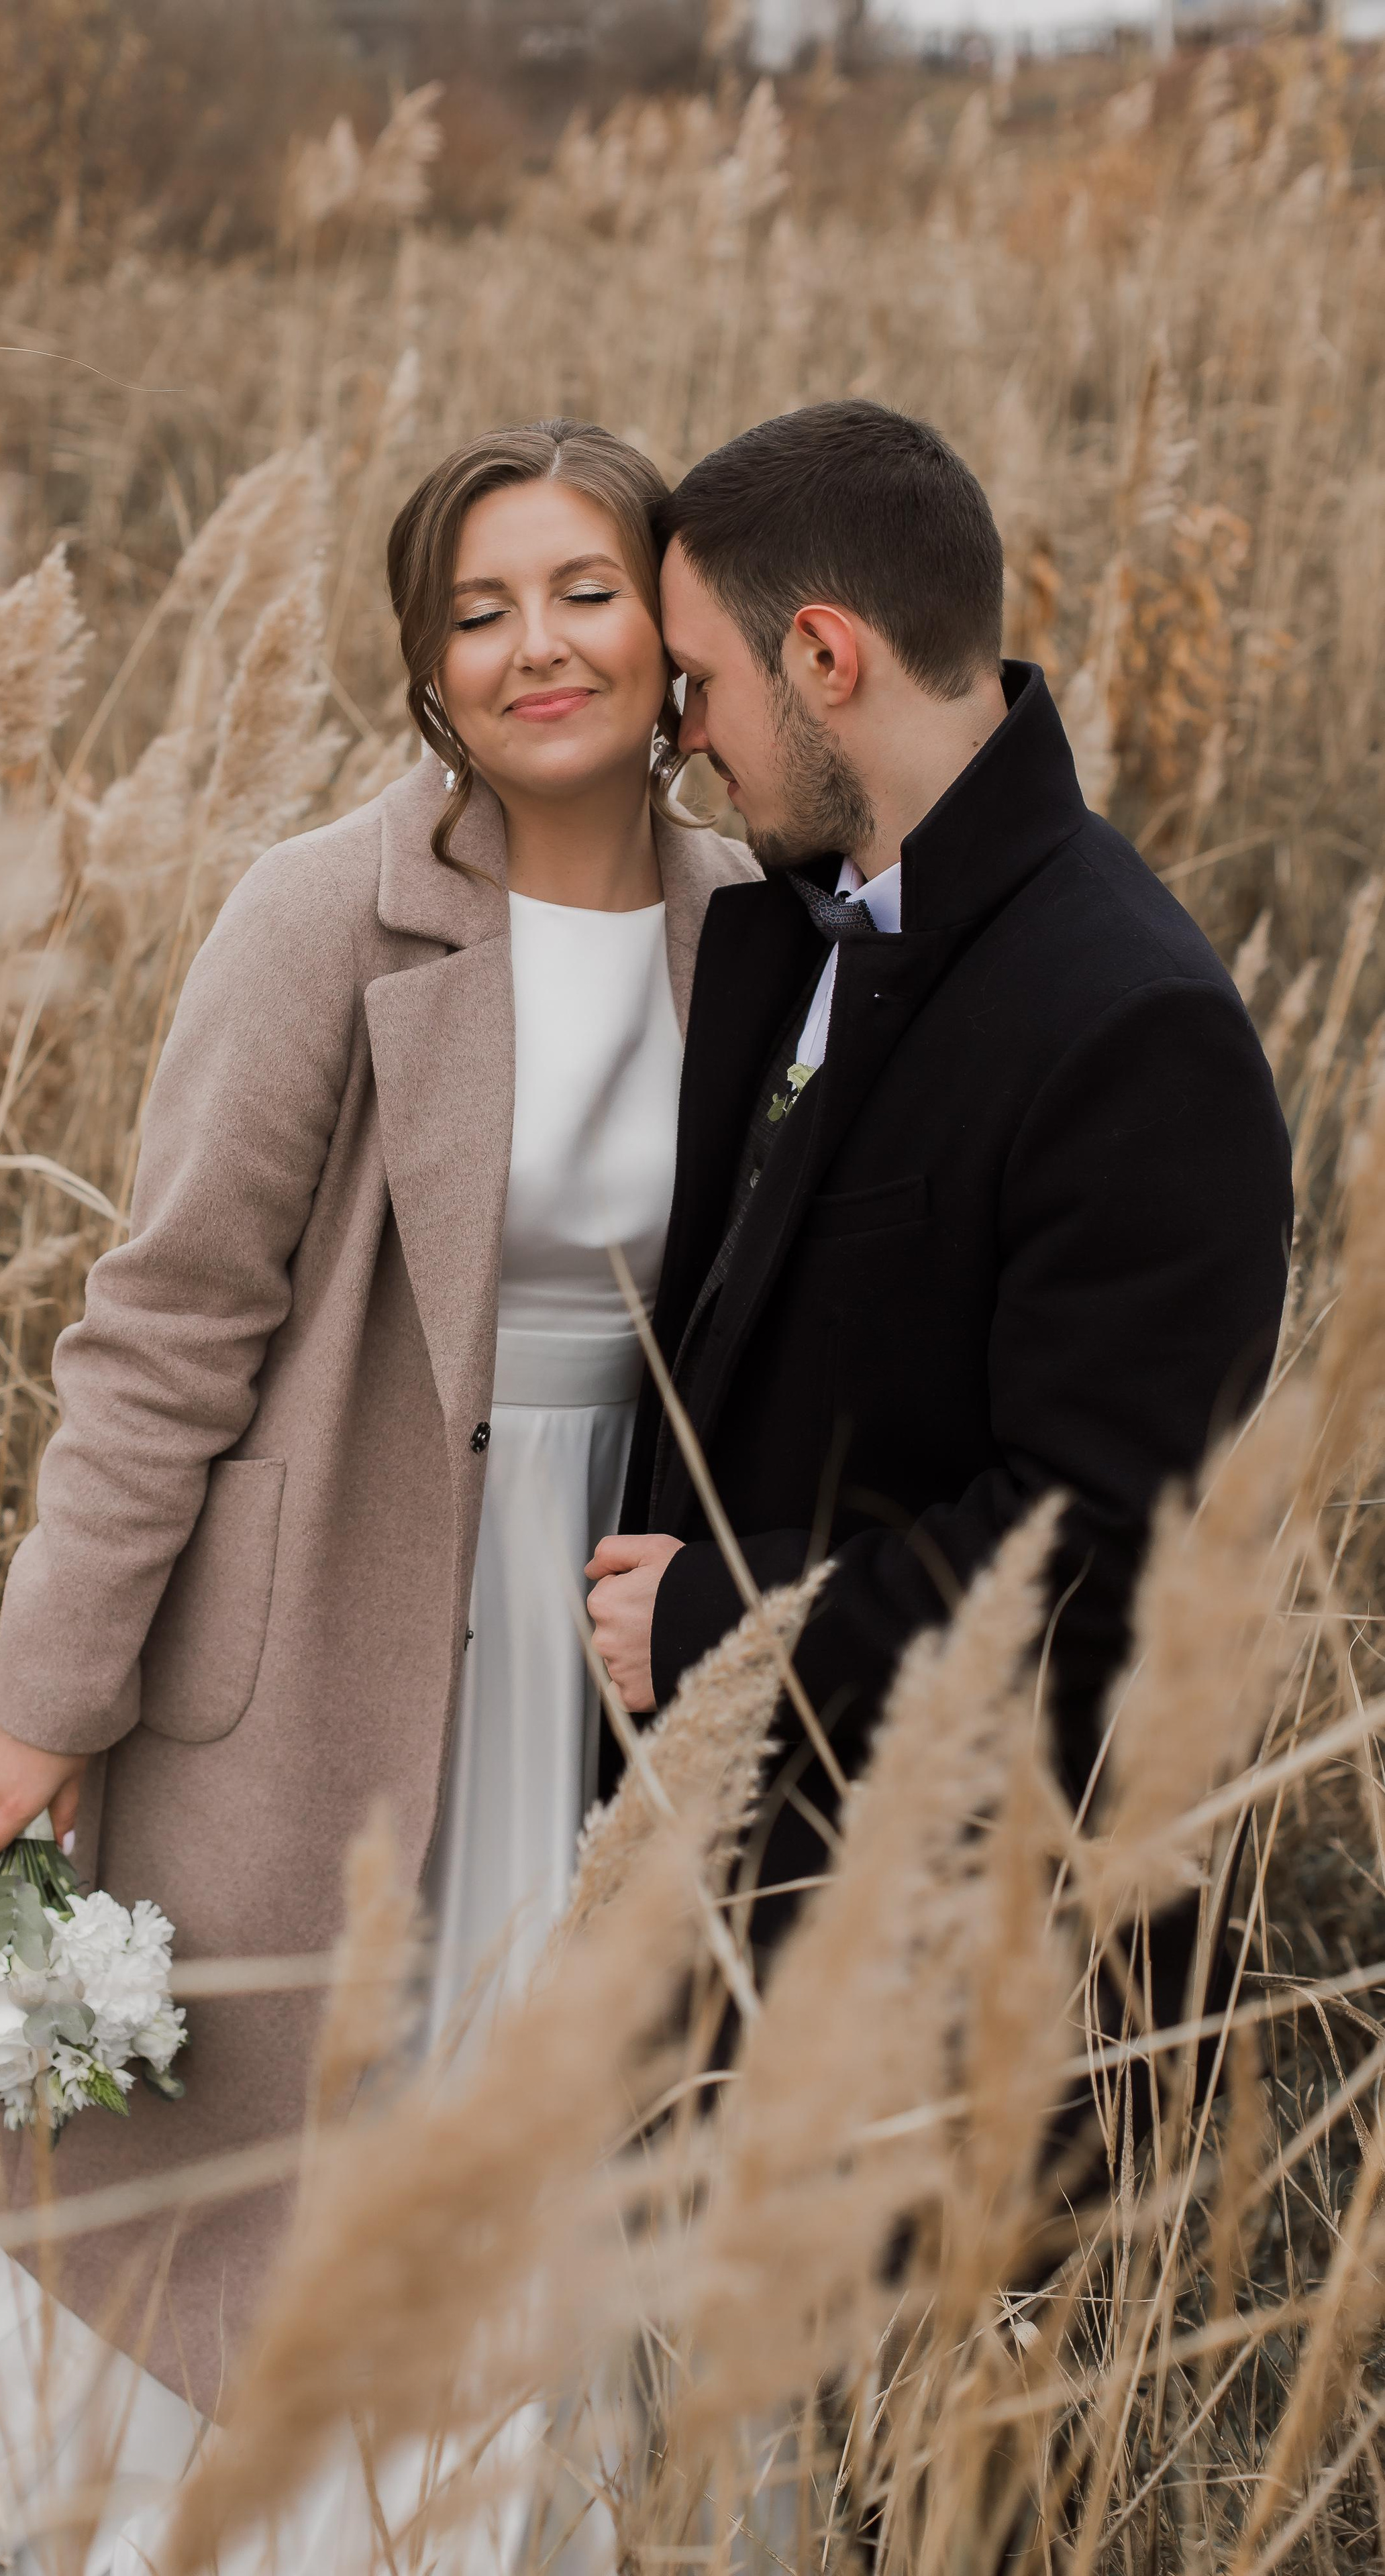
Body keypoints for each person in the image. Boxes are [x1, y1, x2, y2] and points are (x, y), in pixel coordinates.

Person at [0, 420, 754, 2573]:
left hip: (598, 1673)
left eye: (584, 593)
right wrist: (52, 1690)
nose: (539, 648)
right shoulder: (328, 911)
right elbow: (165, 1326)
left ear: (670, 622)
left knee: (517, 2179)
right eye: (478, 611)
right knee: (221, 2209)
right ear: (427, 665)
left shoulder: (757, 934)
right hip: (318, 1650)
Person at [585, 398, 1293, 2006]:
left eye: (698, 683)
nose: (681, 732)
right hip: (724, 1910)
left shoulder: (1130, 1024)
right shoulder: (792, 923)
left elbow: (1099, 1552)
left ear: (824, 656)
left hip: (945, 1980)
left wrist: (726, 1621)